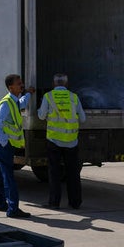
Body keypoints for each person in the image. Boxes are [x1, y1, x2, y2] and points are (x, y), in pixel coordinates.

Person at [38, 73, 87, 209]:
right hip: (71, 140)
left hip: (54, 140)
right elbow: (83, 118)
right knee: (73, 173)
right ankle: (75, 202)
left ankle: (54, 202)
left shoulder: (48, 96)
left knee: (54, 173)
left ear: (54, 84)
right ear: (66, 84)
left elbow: (41, 116)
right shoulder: (74, 97)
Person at [0, 73, 35, 219]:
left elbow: (21, 103)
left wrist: (28, 94)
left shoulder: (14, 101)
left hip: (1, 143)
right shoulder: (6, 103)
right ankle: (13, 209)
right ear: (11, 87)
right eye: (18, 84)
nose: (21, 85)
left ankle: (0, 203)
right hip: (2, 143)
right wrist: (5, 142)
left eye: (21, 83)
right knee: (8, 176)